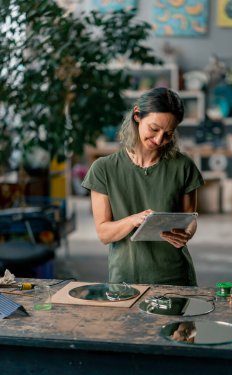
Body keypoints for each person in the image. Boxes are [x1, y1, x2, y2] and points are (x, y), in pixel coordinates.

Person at [82, 87, 204, 286]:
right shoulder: (103, 169)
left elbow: (189, 219)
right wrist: (134, 220)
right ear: (137, 115)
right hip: (125, 279)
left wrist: (186, 233)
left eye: (168, 134)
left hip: (175, 278)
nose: (158, 140)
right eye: (154, 129)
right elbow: (104, 234)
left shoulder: (183, 166)